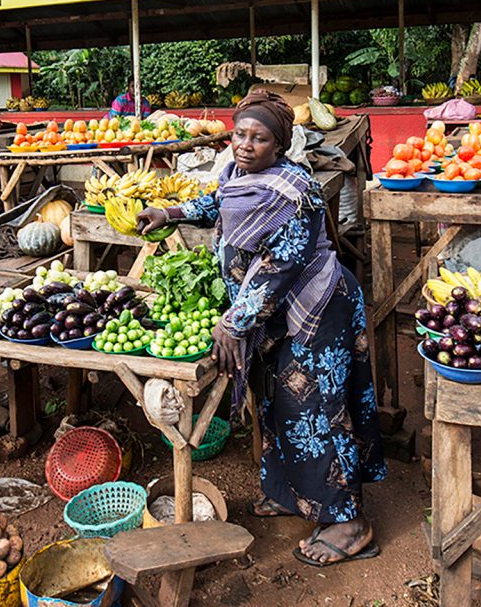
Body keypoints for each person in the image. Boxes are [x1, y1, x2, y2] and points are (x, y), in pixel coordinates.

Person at [136, 90, 386, 567]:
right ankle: (292, 493)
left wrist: (234, 322)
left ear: (281, 145)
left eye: (260, 138)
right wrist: (168, 213)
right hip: (272, 316)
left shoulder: (296, 191)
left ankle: (349, 522)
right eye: (240, 134)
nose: (245, 145)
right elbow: (217, 204)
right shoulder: (236, 175)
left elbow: (281, 265)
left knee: (316, 409)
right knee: (275, 401)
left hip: (315, 312)